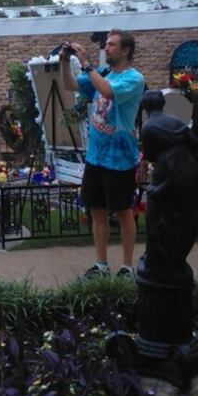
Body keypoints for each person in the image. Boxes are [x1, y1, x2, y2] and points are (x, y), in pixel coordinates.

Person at [60, 29, 146, 279]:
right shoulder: (104, 73)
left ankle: (127, 267)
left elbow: (108, 92)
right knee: (96, 210)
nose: (107, 48)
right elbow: (70, 85)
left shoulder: (134, 79)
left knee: (123, 211)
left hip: (120, 158)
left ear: (126, 50)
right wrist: (65, 62)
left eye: (112, 44)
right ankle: (101, 265)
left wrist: (86, 65)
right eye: (106, 44)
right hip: (96, 156)